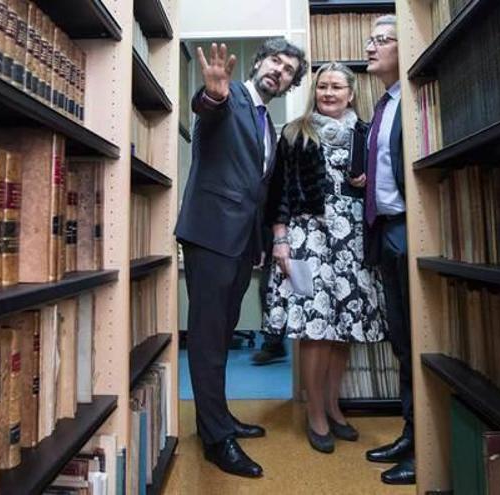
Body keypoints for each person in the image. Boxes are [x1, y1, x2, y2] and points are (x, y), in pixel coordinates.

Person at [175, 38, 307, 478]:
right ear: (258, 62)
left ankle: (217, 418)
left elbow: (258, 189)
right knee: (209, 339)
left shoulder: (266, 122)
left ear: (290, 83)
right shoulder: (228, 100)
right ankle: (216, 440)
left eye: (289, 70)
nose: (279, 71)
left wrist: (258, 244)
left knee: (222, 336)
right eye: (275, 61)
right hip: (210, 235)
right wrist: (212, 93)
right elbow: (206, 109)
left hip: (238, 242)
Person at [262, 63, 388, 454]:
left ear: (351, 94)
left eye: (336, 87)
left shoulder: (366, 135)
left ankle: (334, 406)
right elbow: (279, 192)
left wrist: (370, 181)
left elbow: (383, 183)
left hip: (352, 241)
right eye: (322, 87)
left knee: (343, 331)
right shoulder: (295, 133)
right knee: (315, 331)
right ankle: (315, 412)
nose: (328, 93)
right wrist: (280, 240)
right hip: (307, 240)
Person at [355, 14, 416, 485]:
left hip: (411, 229)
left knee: (416, 338)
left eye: (381, 40)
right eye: (371, 40)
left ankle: (421, 443)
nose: (371, 48)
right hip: (387, 231)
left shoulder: (415, 99)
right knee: (402, 338)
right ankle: (411, 434)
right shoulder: (384, 104)